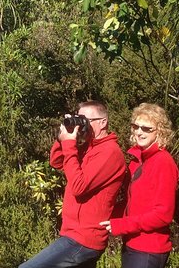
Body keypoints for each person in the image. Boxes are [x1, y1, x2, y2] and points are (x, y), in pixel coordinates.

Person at [20, 101, 127, 268]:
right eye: (79, 119)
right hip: (73, 234)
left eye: (85, 120)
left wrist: (69, 144)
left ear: (103, 122)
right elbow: (57, 161)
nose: (82, 125)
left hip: (84, 238)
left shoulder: (110, 153)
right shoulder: (88, 146)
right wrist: (63, 138)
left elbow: (78, 187)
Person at [100, 103, 179, 268]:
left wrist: (122, 225)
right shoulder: (138, 161)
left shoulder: (163, 162)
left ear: (160, 132)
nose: (139, 132)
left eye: (146, 128)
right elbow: (132, 204)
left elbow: (163, 214)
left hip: (148, 251)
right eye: (136, 126)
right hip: (132, 245)